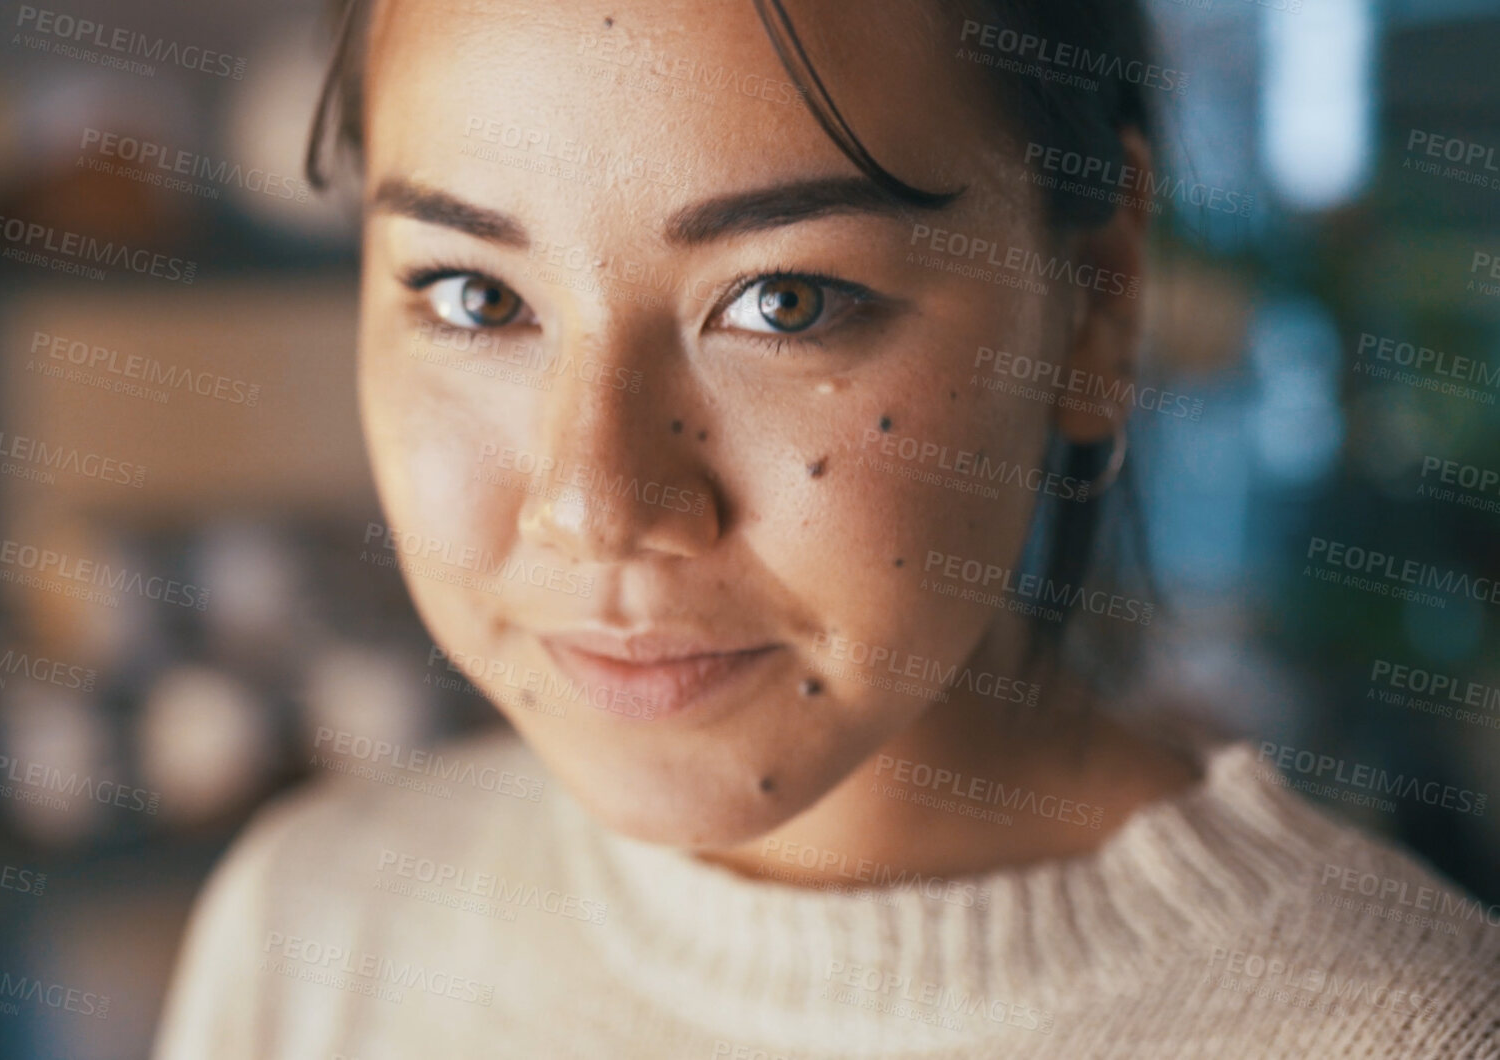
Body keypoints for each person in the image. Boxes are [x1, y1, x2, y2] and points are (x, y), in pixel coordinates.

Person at [154, 0, 1500, 1055]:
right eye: (468, 296)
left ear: (1093, 299)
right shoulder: (315, 928)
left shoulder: (1393, 1032)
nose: (595, 504)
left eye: (784, 302)